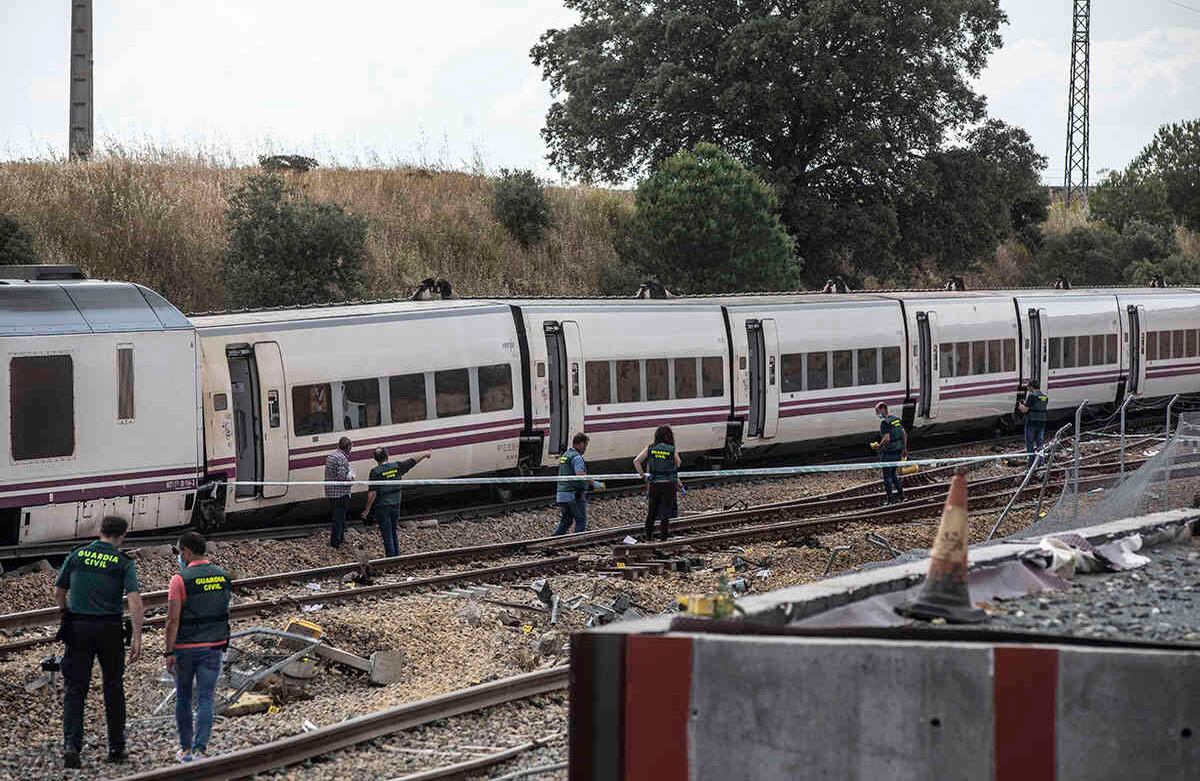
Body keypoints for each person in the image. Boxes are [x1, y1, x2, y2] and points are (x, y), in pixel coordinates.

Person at [54, 515, 144, 769]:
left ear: (100, 531)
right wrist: (137, 636)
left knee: (75, 690)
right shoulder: (123, 562)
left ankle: (72, 746)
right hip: (110, 630)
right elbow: (135, 600)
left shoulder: (77, 555)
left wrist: (66, 614)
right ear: (122, 536)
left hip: (79, 628)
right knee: (113, 687)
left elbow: (59, 592)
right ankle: (116, 748)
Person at [164, 531, 231, 763]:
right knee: (205, 698)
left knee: (183, 697)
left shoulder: (179, 579)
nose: (179, 557)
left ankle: (185, 749)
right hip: (214, 646)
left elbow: (172, 620)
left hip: (185, 649)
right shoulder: (223, 577)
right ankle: (201, 748)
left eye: (179, 551)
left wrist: (169, 651)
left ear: (187, 551)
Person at [361, 448, 432, 557]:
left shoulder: (375, 472)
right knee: (393, 531)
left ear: (375, 459)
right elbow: (412, 461)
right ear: (387, 456)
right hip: (396, 505)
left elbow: (372, 493)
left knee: (386, 533)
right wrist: (425, 454)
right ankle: (396, 556)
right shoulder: (397, 466)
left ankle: (391, 558)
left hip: (382, 507)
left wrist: (367, 510)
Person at [633, 425, 683, 541]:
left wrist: (643, 475)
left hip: (654, 484)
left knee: (651, 511)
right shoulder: (671, 449)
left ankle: (649, 537)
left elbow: (636, 461)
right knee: (665, 513)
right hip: (668, 484)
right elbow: (678, 463)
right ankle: (663, 539)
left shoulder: (650, 448)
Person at [553, 433, 603, 535]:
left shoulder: (565, 455)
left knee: (566, 520)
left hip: (561, 495)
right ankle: (575, 542)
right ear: (580, 444)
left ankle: (552, 540)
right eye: (585, 445)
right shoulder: (577, 458)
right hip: (574, 495)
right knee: (581, 520)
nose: (585, 449)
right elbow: (580, 473)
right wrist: (595, 483)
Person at [871, 402, 908, 504]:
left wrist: (879, 446)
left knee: (887, 477)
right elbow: (904, 434)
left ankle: (890, 500)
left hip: (888, 452)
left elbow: (887, 438)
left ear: (883, 409)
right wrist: (904, 449)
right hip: (898, 451)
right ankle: (902, 496)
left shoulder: (885, 423)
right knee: (893, 474)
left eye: (877, 411)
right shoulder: (896, 420)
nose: (877, 414)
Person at [324, 437, 354, 548]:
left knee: (338, 516)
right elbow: (341, 477)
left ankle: (340, 538)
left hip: (331, 491)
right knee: (339, 518)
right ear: (348, 447)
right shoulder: (342, 458)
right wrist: (351, 479)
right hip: (340, 493)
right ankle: (335, 541)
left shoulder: (331, 456)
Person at [1018, 380, 1049, 466]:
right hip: (1042, 422)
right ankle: (1041, 462)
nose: (1028, 388)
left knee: (1030, 442)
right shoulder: (1045, 397)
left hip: (1031, 421)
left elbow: (1025, 410)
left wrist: (1021, 406)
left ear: (1031, 387)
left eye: (1028, 386)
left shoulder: (1032, 396)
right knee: (1040, 442)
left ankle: (1031, 462)